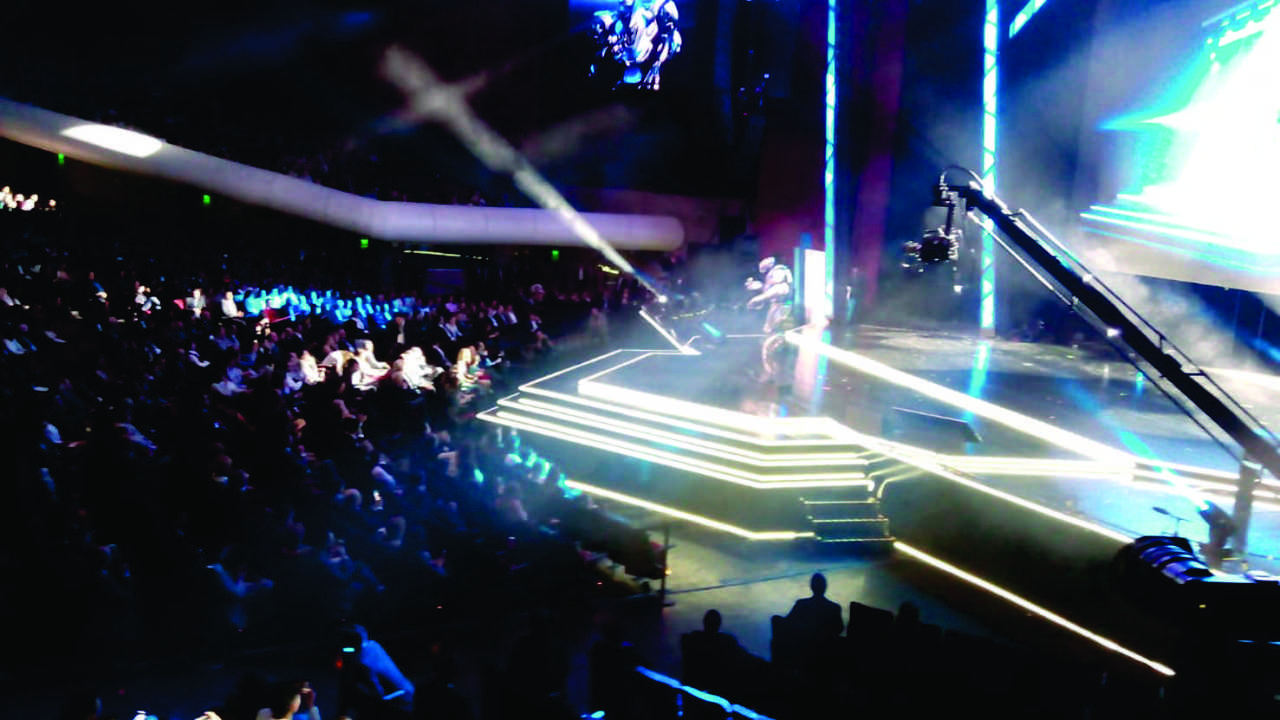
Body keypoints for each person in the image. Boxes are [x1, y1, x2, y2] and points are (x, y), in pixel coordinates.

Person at [744, 256, 794, 379]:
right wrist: (757, 286)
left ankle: (775, 360)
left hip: (781, 308)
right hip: (776, 307)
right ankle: (772, 361)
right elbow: (768, 290)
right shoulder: (776, 282)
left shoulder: (781, 285)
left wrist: (757, 299)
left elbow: (771, 293)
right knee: (769, 330)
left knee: (775, 331)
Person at [786, 572, 843, 639]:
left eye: (819, 584)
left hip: (805, 641)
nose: (818, 586)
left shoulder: (801, 604)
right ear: (825, 586)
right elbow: (839, 629)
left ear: (811, 586)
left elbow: (788, 622)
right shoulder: (834, 607)